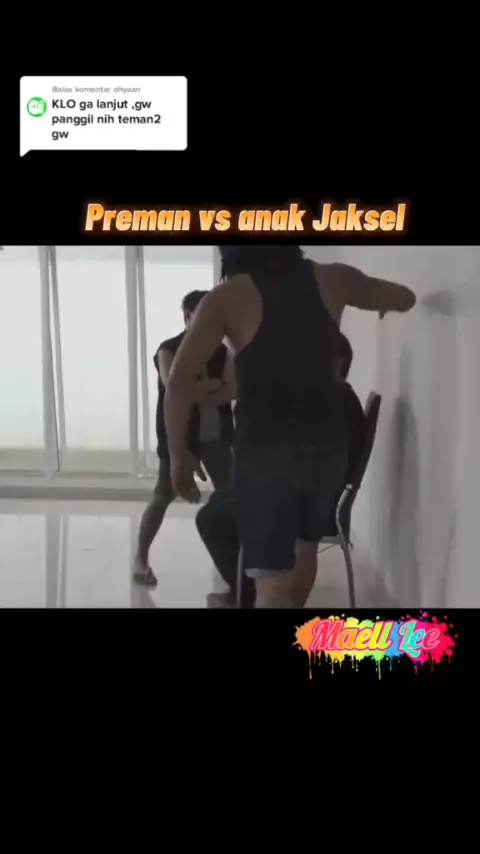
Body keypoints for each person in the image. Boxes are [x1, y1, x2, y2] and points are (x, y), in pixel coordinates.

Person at [164, 247, 416, 608]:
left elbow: (177, 382)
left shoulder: (225, 298)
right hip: (326, 451)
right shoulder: (335, 278)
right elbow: (404, 298)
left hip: (266, 455)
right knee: (304, 551)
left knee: (271, 587)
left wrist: (178, 456)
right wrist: (380, 302)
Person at [196, 332, 366, 609]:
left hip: (303, 504)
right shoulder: (339, 399)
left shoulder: (331, 405)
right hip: (312, 497)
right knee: (221, 502)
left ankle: (250, 597)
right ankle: (248, 593)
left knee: (212, 518)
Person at [133, 289, 235, 587]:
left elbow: (232, 390)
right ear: (187, 317)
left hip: (216, 437)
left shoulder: (222, 352)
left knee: (232, 495)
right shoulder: (168, 350)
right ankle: (140, 559)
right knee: (162, 497)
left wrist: (199, 388)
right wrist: (212, 386)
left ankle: (234, 565)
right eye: (201, 317)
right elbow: (173, 386)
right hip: (178, 438)